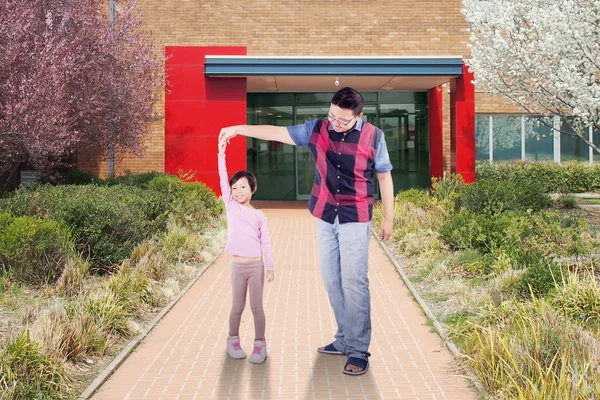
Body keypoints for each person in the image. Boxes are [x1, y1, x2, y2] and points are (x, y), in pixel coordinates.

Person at [219, 87, 394, 375]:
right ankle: (344, 340)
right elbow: (276, 132)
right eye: (332, 116)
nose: (335, 124)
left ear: (359, 117)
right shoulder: (316, 129)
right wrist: (238, 128)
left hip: (356, 216)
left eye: (343, 121)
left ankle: (358, 350)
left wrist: (389, 218)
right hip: (326, 214)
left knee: (354, 282)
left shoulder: (374, 136)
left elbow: (385, 175)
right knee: (331, 280)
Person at [218, 138, 275, 364]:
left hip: (256, 266)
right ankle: (233, 341)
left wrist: (269, 266)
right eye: (234, 188)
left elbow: (266, 243)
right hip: (237, 266)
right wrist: (221, 155)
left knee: (257, 307)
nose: (237, 190)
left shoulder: (258, 215)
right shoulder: (231, 207)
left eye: (243, 186)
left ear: (252, 189)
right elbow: (223, 177)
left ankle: (260, 345)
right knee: (237, 306)